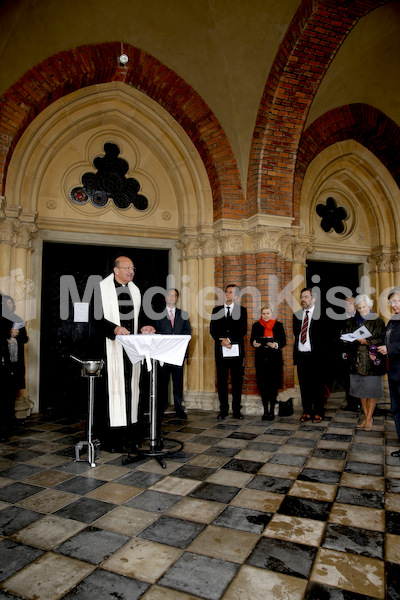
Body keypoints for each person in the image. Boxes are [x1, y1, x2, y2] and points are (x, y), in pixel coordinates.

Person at [98, 256, 155, 451]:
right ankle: (112, 440)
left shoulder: (136, 290)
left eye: (133, 267)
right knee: (112, 392)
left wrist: (146, 326)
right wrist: (114, 329)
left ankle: (132, 436)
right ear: (116, 270)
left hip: (131, 349)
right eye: (127, 268)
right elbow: (95, 317)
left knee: (133, 390)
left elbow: (142, 316)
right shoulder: (101, 289)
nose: (131, 271)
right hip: (110, 349)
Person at [341, 294, 385, 431]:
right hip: (356, 360)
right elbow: (346, 335)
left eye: (364, 307)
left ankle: (368, 419)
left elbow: (381, 340)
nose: (362, 310)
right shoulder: (352, 321)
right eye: (359, 308)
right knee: (360, 391)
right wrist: (346, 339)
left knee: (371, 391)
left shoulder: (378, 321)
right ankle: (367, 417)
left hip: (371, 361)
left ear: (370, 306)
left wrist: (367, 341)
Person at [210, 284, 247, 420]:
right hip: (221, 351)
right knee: (222, 381)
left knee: (237, 381)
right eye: (226, 292)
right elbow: (212, 330)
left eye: (230, 292)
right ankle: (223, 410)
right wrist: (223, 341)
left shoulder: (242, 310)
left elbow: (242, 330)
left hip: (236, 351)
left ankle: (236, 410)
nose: (227, 294)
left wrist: (230, 340)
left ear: (236, 296)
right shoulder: (216, 310)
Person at [293, 287, 330, 423]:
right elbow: (297, 336)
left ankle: (319, 412)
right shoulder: (296, 315)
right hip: (302, 356)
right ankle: (307, 411)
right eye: (302, 297)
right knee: (304, 386)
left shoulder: (322, 315)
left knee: (318, 386)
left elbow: (327, 339)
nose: (303, 299)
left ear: (313, 299)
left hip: (317, 357)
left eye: (306, 297)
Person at [153, 288, 191, 419]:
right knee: (163, 383)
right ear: (165, 298)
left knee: (178, 382)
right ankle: (162, 408)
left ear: (176, 298)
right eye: (169, 295)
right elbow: (155, 333)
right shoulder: (158, 314)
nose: (171, 297)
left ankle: (179, 408)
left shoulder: (183, 314)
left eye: (174, 295)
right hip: (163, 355)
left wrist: (184, 351)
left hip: (178, 355)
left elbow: (188, 333)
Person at [250, 303, 286, 421]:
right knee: (263, 386)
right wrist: (254, 343)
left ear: (272, 314)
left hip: (274, 359)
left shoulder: (278, 325)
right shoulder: (256, 325)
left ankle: (271, 411)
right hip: (261, 359)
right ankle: (265, 411)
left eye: (268, 313)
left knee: (273, 386)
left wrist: (275, 344)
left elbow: (283, 341)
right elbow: (252, 340)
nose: (265, 316)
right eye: (263, 314)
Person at [0, 295, 29, 441]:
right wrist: (8, 333)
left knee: (11, 394)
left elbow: (25, 338)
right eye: (7, 304)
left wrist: (19, 333)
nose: (9, 306)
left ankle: (9, 422)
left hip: (15, 361)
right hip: (4, 361)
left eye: (11, 304)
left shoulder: (16, 317)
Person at [377, 287, 400, 456]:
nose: (393, 305)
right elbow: (385, 338)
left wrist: (389, 348)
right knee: (396, 409)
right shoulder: (393, 320)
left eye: (396, 301)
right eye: (391, 301)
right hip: (393, 372)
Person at [341, 297, 361, 411]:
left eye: (350, 304)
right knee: (346, 379)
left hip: (356, 353)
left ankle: (358, 403)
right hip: (344, 353)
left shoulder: (359, 319)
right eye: (346, 304)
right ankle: (350, 403)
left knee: (357, 379)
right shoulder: (340, 319)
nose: (348, 306)